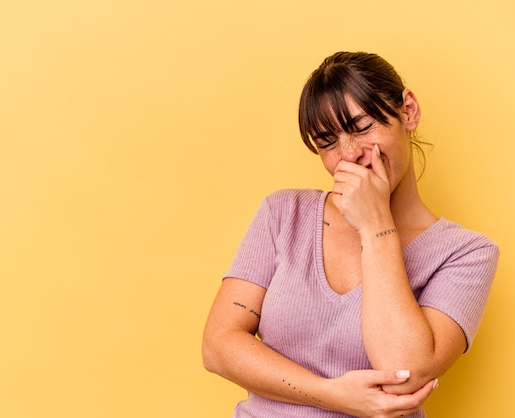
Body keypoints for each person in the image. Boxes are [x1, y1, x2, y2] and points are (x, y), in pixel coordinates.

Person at [202, 51, 499, 418]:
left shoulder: (466, 253)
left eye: (362, 127)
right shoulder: (283, 214)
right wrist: (331, 395)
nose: (350, 155)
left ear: (408, 111)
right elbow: (218, 346)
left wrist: (375, 226)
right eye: (327, 142)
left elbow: (404, 371)